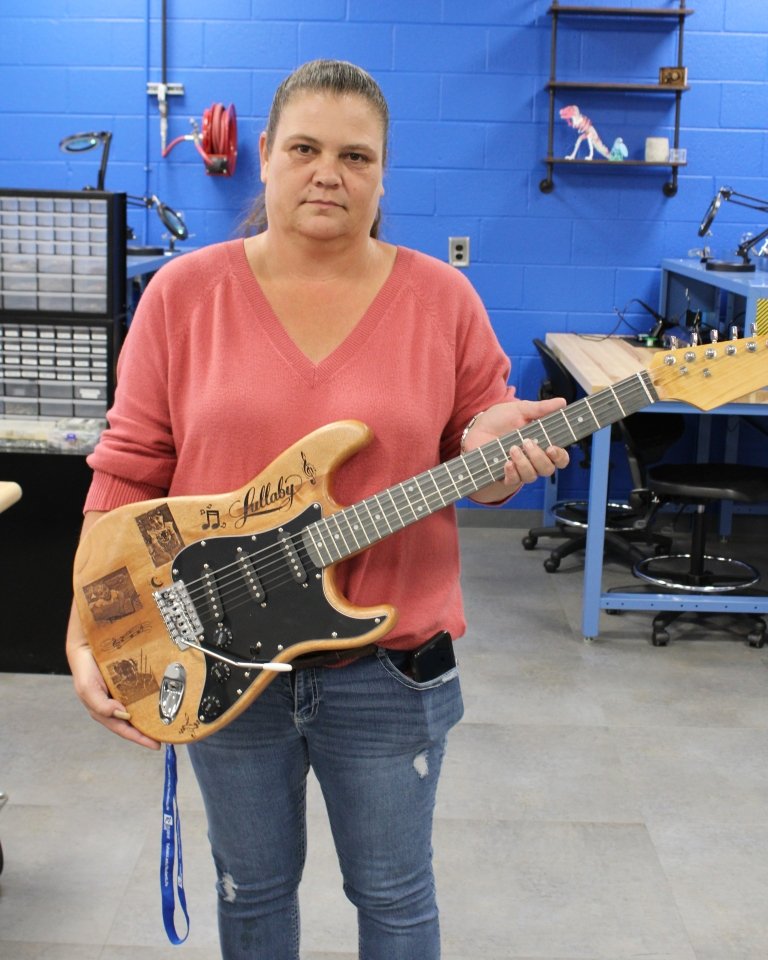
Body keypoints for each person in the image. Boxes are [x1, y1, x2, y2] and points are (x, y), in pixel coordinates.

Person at [66, 59, 570, 960]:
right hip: (216, 649)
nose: (328, 172)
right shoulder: (183, 296)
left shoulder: (441, 299)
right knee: (250, 891)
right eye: (304, 147)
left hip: (389, 669)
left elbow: (480, 460)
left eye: (356, 156)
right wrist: (87, 619)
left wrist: (499, 454)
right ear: (264, 155)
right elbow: (129, 469)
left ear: (383, 174)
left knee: (394, 895)